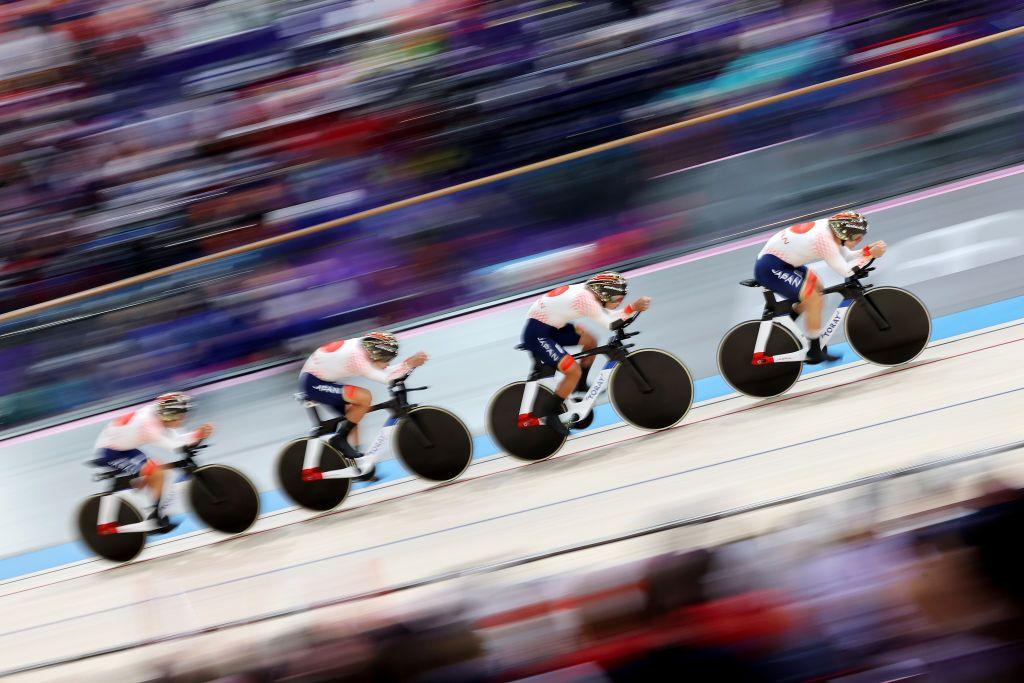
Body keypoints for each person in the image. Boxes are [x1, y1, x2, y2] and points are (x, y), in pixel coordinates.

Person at [519, 272, 651, 435]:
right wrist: (633, 307)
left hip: (553, 324)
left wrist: (630, 310)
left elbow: (610, 315)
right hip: (538, 332)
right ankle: (551, 412)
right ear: (605, 293)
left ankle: (580, 384)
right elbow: (611, 323)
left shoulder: (590, 294)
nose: (619, 302)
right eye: (617, 298)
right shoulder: (585, 299)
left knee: (590, 341)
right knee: (572, 370)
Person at [754, 211, 887, 364]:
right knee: (814, 299)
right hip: (769, 267)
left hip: (783, 262)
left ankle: (787, 324)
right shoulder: (825, 241)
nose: (860, 240)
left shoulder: (832, 230)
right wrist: (871, 255)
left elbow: (847, 256)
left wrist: (867, 251)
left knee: (818, 287)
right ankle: (814, 351)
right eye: (857, 237)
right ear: (844, 233)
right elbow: (846, 270)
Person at [299, 331, 428, 482]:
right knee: (364, 398)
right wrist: (409, 364)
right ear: (375, 354)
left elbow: (387, 371)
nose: (388, 363)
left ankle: (360, 463)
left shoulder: (367, 346)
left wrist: (408, 364)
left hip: (325, 379)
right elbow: (388, 378)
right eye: (387, 359)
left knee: (353, 414)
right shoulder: (358, 358)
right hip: (313, 383)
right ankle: (339, 439)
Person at [92, 392, 213, 533]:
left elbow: (178, 439)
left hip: (124, 448)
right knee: (155, 471)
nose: (184, 418)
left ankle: (151, 510)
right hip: (108, 452)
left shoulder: (159, 416)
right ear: (170, 414)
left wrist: (197, 435)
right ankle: (151, 520)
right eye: (181, 414)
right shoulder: (148, 424)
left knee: (155, 473)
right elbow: (174, 446)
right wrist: (196, 436)